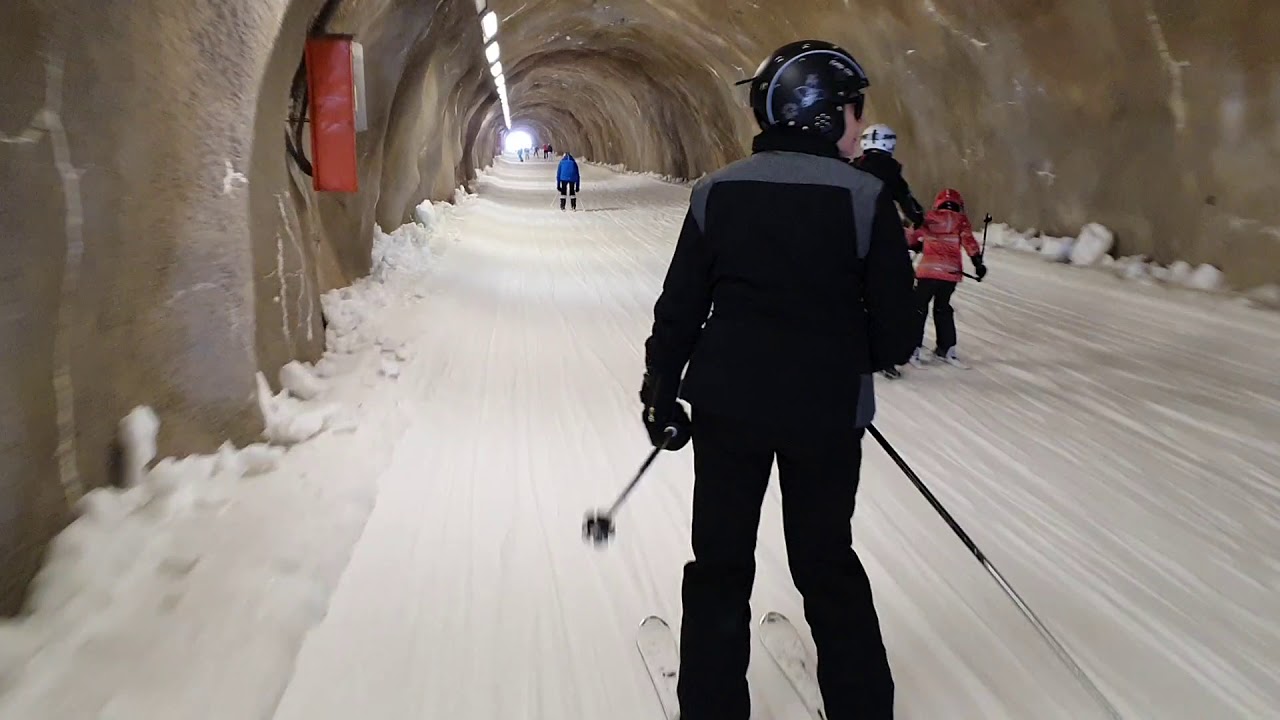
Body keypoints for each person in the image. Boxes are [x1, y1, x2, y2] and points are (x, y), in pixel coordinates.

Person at [639, 39, 916, 720]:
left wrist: (660, 393)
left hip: (728, 408)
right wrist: (843, 355)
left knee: (721, 564)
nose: (860, 126)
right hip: (825, 416)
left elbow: (680, 308)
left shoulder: (716, 193)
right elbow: (898, 333)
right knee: (826, 564)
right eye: (855, 112)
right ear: (823, 115)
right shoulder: (866, 197)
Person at [906, 188, 987, 367]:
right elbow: (970, 244)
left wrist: (917, 244)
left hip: (927, 273)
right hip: (950, 275)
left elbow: (912, 238)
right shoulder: (961, 221)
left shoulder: (928, 218)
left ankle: (913, 349)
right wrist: (978, 265)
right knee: (943, 308)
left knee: (918, 308)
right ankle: (946, 348)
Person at [851, 124, 925, 229]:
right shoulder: (890, 168)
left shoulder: (852, 166)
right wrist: (919, 219)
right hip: (877, 225)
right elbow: (905, 199)